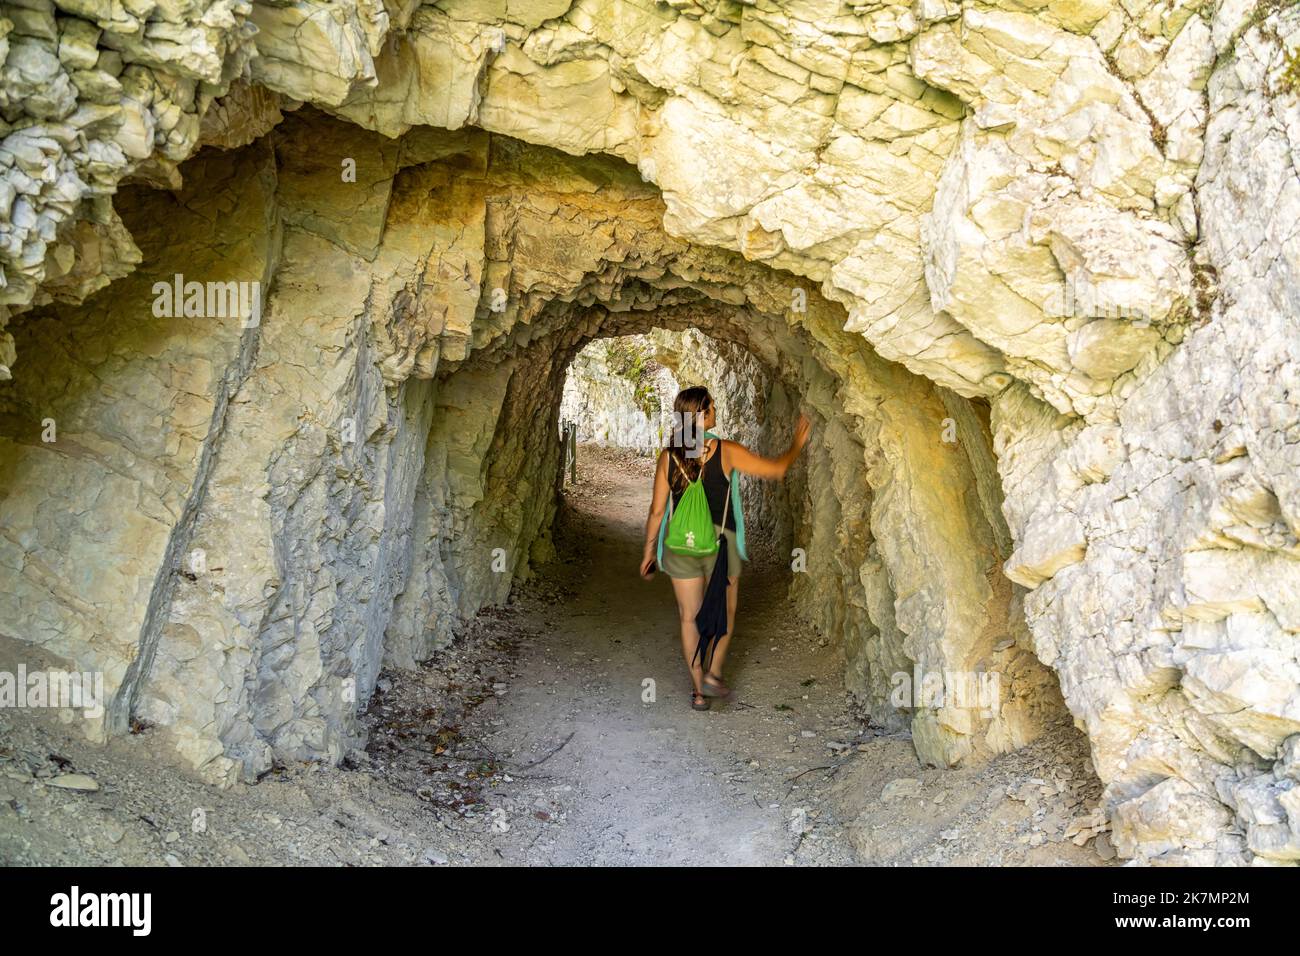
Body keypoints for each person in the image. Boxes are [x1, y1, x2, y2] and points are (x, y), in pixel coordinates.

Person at [639, 386, 811, 711]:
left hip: (682, 545)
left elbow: (657, 511)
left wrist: (649, 552)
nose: (716, 411)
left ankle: (698, 692)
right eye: (712, 407)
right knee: (724, 612)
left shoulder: (669, 456)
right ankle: (714, 674)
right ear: (702, 414)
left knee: (689, 617)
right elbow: (776, 470)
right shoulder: (726, 450)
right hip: (722, 544)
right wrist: (796, 445)